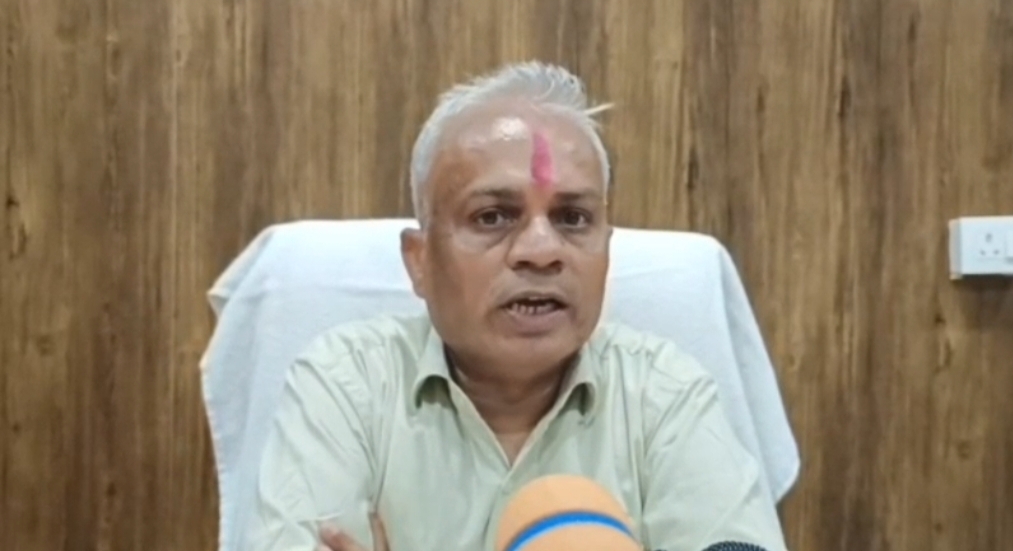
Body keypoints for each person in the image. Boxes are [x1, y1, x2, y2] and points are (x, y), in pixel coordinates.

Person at [245, 62, 789, 551]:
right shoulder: (347, 386)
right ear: (419, 261)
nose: (542, 250)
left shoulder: (665, 396)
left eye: (573, 219)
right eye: (493, 217)